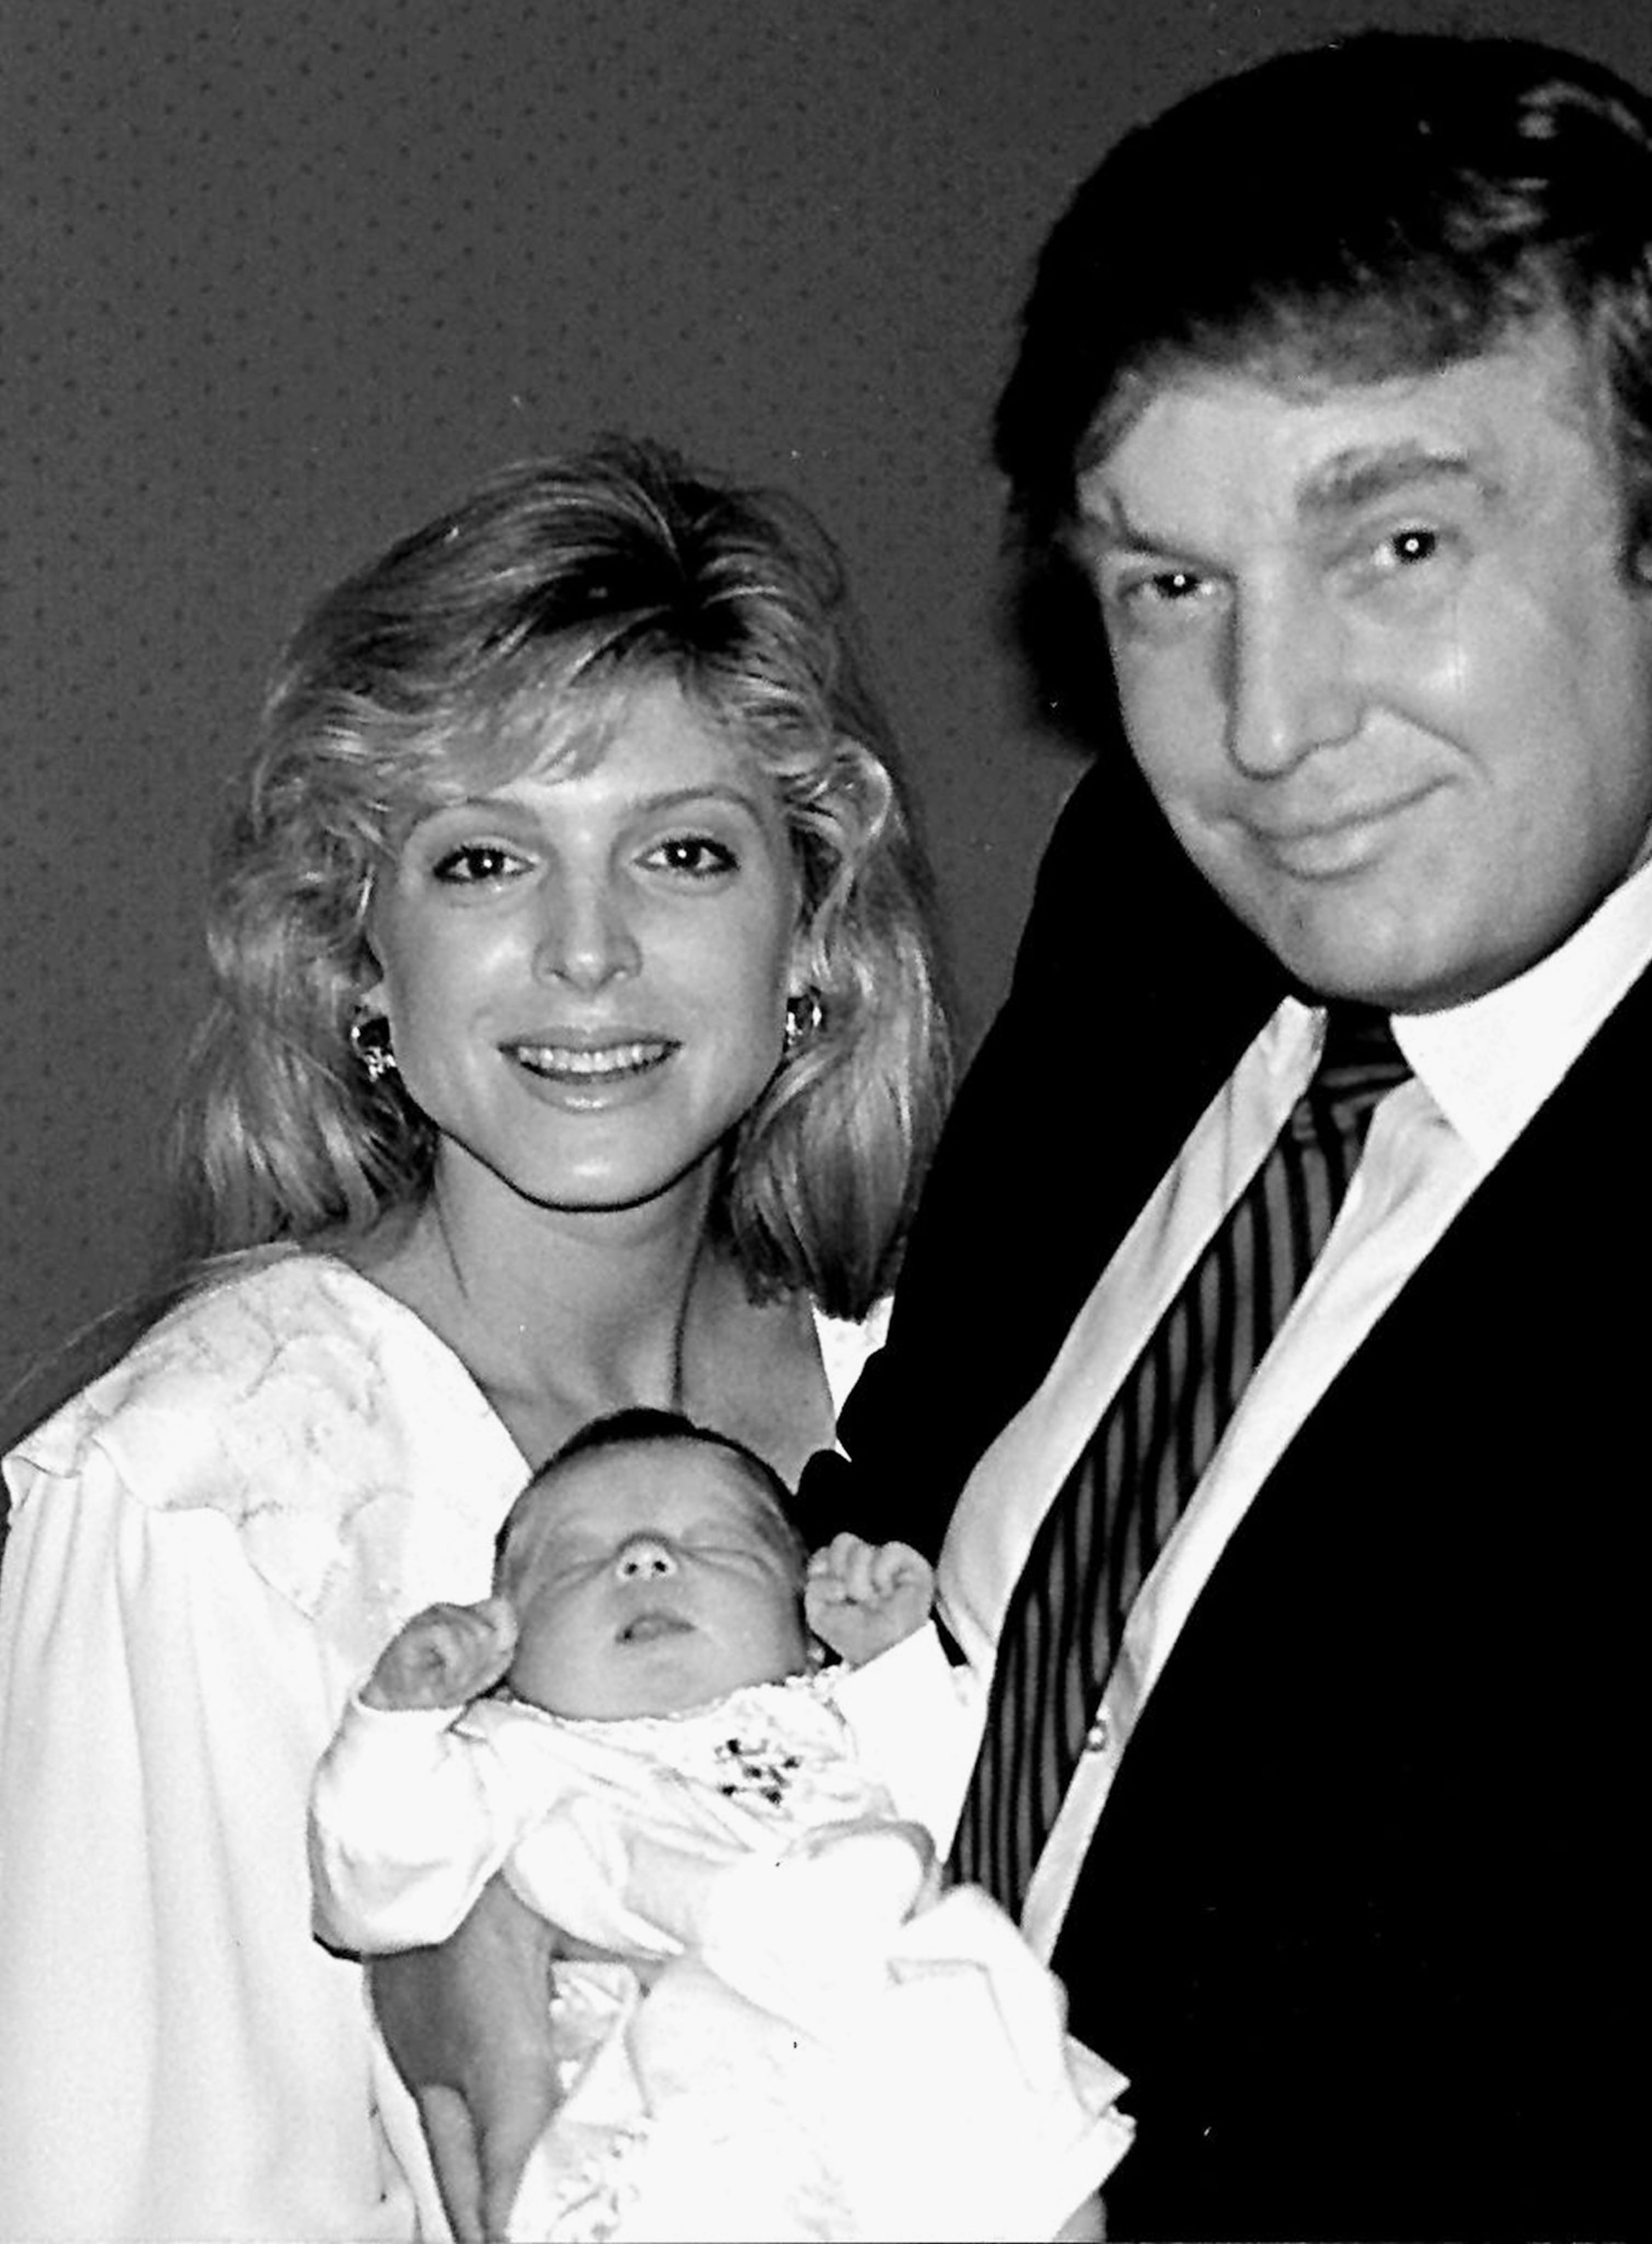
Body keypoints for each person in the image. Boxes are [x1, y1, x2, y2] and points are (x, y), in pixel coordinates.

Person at [828, 28, 1652, 2239]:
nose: (1267, 725)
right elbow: (921, 1495)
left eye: (1395, 540)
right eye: (1168, 584)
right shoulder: (1157, 895)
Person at [0, 435, 950, 2241]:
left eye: (682, 850)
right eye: (485, 859)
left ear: (809, 935)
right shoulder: (199, 1500)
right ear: (358, 958)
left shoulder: (931, 1403)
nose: (587, 953)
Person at [311, 1406, 1126, 2242]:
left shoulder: (839, 1716)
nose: (644, 1559)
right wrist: (395, 1726)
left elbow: (984, 1821)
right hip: (685, 2109)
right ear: (507, 1658)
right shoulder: (517, 1753)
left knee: (1006, 2099)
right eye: (574, 1561)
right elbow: (376, 1896)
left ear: (806, 1626)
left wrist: (895, 1664)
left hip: (903, 2061)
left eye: (715, 1544)